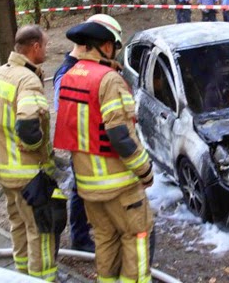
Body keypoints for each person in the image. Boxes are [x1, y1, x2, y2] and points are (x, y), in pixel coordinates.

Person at [53, 18, 154, 283]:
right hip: (120, 185)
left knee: (105, 241)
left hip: (88, 186)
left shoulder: (69, 77)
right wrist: (145, 170)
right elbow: (121, 136)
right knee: (137, 239)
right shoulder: (109, 80)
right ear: (107, 47)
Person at [0, 25, 59, 282]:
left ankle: (21, 275)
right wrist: (34, 150)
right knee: (41, 234)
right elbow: (28, 125)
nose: (46, 49)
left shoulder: (0, 73)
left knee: (19, 226)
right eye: (45, 45)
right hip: (30, 177)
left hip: (6, 172)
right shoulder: (28, 80)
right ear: (35, 48)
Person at [53, 22, 95, 254]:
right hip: (81, 141)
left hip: (88, 140)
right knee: (81, 189)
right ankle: (79, 237)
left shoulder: (78, 67)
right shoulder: (67, 72)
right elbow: (65, 110)